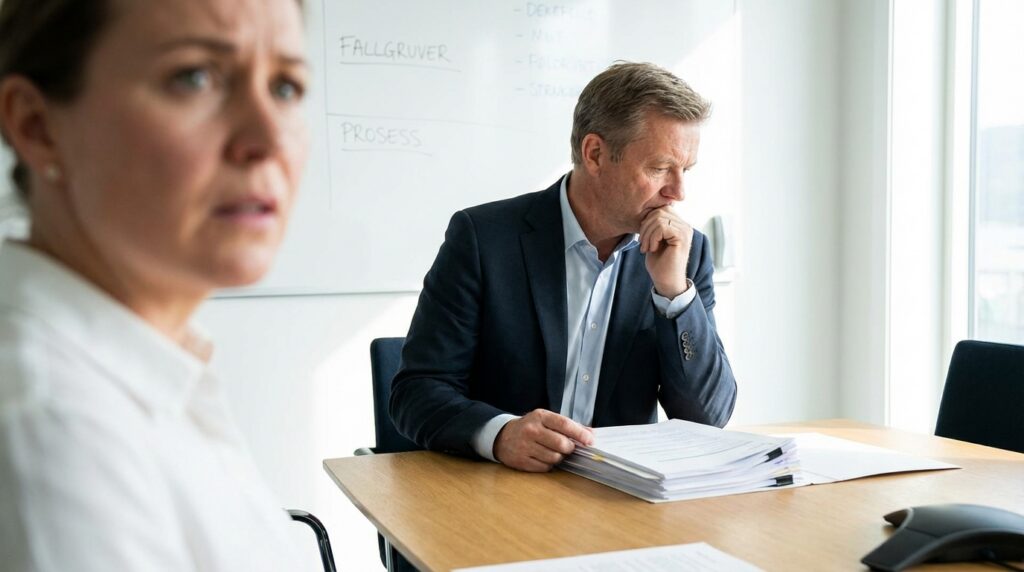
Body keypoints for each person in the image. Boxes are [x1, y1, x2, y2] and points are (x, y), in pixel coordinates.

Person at [0, 0, 309, 569]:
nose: (268, 137)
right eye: (195, 77)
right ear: (36, 127)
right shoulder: (54, 427)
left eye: (286, 87)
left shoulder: (155, 366)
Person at [391, 62, 737, 473]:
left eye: (686, 171)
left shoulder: (685, 252)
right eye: (660, 168)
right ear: (595, 154)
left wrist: (673, 295)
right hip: (499, 492)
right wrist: (500, 435)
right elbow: (417, 392)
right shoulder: (484, 239)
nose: (678, 192)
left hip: (619, 498)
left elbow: (708, 417)